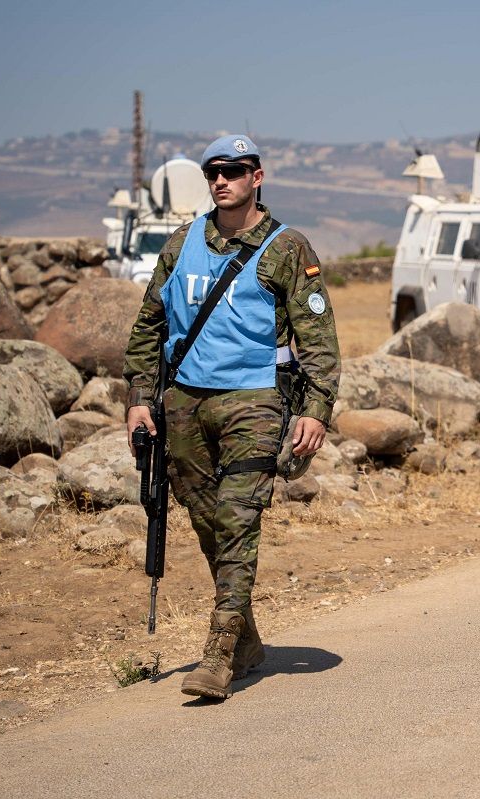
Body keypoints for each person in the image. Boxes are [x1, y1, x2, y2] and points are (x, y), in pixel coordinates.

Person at [123, 134, 340, 699]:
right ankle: (247, 641)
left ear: (256, 177)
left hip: (255, 401)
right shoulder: (181, 243)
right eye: (213, 172)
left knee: (238, 519)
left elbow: (318, 338)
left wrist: (316, 410)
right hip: (184, 403)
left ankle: (219, 654)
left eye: (234, 171)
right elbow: (149, 325)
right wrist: (140, 398)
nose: (221, 180)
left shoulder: (287, 248)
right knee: (208, 522)